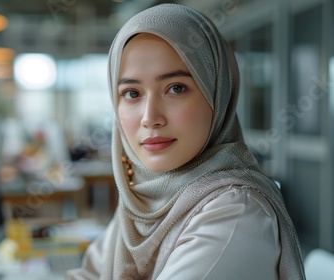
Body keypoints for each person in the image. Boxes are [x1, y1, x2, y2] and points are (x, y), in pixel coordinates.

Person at [67, 3, 305, 280]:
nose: (150, 117)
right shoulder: (141, 200)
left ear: (216, 92)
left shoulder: (235, 213)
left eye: (176, 88)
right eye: (132, 93)